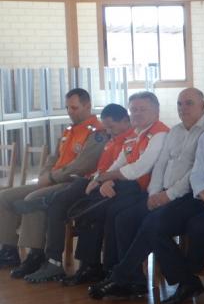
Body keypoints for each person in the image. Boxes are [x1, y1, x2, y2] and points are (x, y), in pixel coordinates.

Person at [89, 86, 204, 303]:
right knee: (153, 224)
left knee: (194, 226)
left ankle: (134, 277)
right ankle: (181, 280)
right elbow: (197, 174)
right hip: (203, 197)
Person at [82, 88, 204, 293]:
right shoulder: (175, 131)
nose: (183, 108)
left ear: (203, 106)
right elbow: (160, 165)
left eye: (189, 103)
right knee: (124, 219)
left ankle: (121, 277)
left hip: (188, 195)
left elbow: (195, 172)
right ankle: (135, 280)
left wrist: (167, 195)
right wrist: (154, 194)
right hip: (159, 192)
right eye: (179, 104)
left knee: (151, 224)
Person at [60, 92, 170, 285]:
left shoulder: (160, 133)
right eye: (133, 109)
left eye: (142, 109)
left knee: (111, 213)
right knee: (93, 211)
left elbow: (140, 168)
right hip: (130, 188)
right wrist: (100, 180)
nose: (137, 113)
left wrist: (106, 178)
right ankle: (93, 267)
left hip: (145, 191)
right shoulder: (135, 135)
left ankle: (115, 273)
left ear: (156, 110)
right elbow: (119, 162)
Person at [0, 88, 106, 274]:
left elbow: (82, 165)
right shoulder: (69, 131)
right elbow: (53, 157)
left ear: (87, 106)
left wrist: (51, 178)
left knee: (33, 199)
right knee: (5, 197)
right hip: (54, 180)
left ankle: (36, 254)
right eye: (67, 108)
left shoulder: (97, 132)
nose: (70, 112)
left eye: (74, 108)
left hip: (73, 183)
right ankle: (9, 251)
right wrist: (44, 174)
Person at [19, 104, 128, 283]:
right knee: (68, 203)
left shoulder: (129, 139)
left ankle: (82, 265)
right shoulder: (111, 138)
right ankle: (68, 263)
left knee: (82, 210)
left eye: (111, 127)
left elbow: (127, 168)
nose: (108, 131)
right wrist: (97, 178)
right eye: (106, 127)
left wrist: (102, 179)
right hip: (96, 181)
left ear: (125, 121)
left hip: (113, 186)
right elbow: (104, 166)